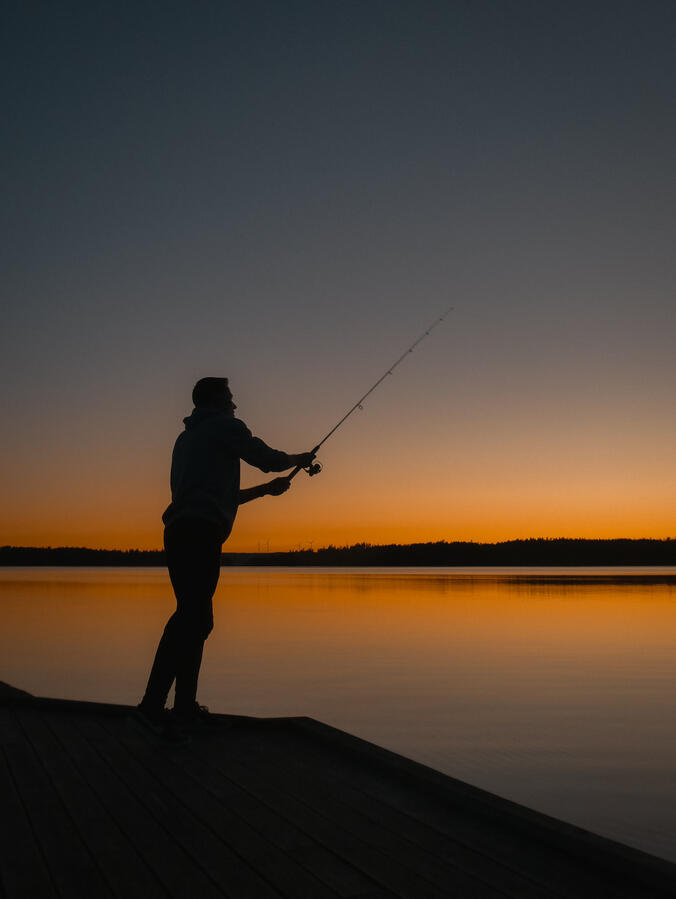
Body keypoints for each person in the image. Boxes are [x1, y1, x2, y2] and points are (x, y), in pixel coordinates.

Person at [136, 376, 314, 738]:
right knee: (192, 617)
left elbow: (215, 494)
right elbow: (266, 458)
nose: (235, 404)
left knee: (195, 618)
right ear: (216, 400)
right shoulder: (224, 426)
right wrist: (299, 458)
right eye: (230, 397)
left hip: (181, 533)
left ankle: (180, 708)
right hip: (199, 535)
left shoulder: (186, 439)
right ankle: (152, 707)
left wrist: (265, 492)